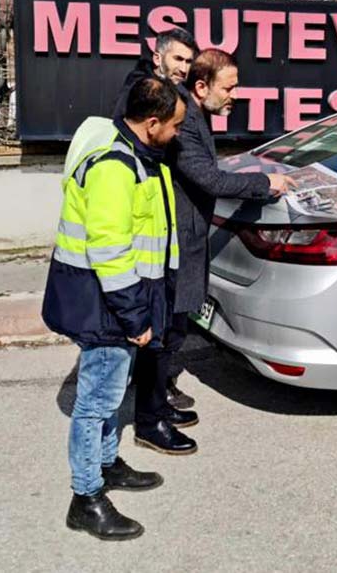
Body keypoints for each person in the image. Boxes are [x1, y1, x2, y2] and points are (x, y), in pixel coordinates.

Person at [41, 77, 187, 541]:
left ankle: (106, 466)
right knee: (95, 404)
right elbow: (110, 251)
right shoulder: (115, 168)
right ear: (151, 123)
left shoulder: (141, 158)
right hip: (107, 306)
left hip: (121, 302)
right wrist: (135, 317)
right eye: (175, 126)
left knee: (110, 396)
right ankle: (85, 498)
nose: (178, 134)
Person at [133, 48, 296, 455]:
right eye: (230, 87)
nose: (235, 95)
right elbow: (207, 179)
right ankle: (150, 417)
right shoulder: (185, 119)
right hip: (177, 237)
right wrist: (264, 183)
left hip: (187, 234)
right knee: (168, 328)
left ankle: (158, 402)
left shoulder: (194, 113)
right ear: (202, 86)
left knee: (174, 325)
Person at [113, 28, 200, 410]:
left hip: (159, 217)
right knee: (151, 319)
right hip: (145, 219)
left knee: (161, 317)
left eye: (188, 61)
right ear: (158, 55)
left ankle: (153, 397)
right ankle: (151, 400)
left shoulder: (168, 91)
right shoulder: (145, 91)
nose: (183, 67)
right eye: (178, 59)